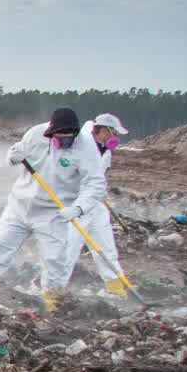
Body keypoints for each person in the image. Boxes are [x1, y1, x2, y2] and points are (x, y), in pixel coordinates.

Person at [0, 108, 107, 311]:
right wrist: (12, 156)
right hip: (19, 206)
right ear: (50, 133)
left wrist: (79, 208)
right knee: (0, 247)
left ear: (76, 134)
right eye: (58, 139)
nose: (62, 143)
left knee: (55, 259)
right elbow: (15, 156)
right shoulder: (35, 134)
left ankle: (53, 304)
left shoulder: (86, 148)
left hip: (53, 213)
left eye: (67, 140)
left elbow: (96, 184)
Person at [62, 113, 129, 297]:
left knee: (106, 246)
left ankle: (115, 287)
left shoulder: (104, 149)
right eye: (113, 132)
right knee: (69, 247)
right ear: (104, 129)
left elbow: (101, 175)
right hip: (78, 203)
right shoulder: (79, 144)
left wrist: (100, 192)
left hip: (96, 204)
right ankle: (53, 287)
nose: (115, 137)